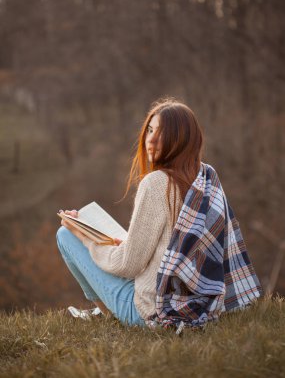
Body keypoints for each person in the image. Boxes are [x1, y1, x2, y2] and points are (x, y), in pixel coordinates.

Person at [56, 97, 262, 328]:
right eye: (150, 130)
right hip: (197, 303)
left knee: (65, 235)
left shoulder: (156, 183)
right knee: (99, 239)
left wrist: (84, 236)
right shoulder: (206, 177)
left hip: (150, 311)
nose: (151, 140)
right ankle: (105, 307)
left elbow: (128, 266)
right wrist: (118, 243)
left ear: (182, 139)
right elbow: (171, 248)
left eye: (162, 133)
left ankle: (106, 312)